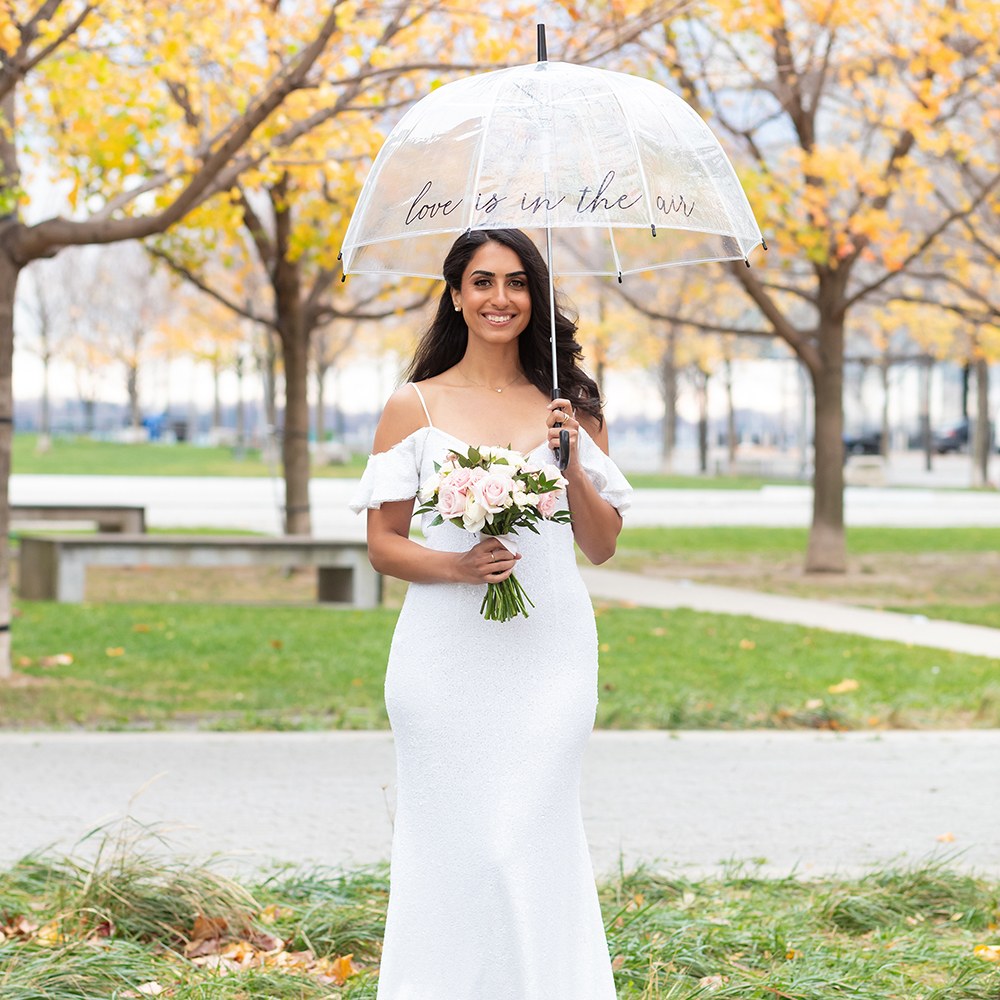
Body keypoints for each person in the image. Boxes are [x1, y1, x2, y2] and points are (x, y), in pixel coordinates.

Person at [350, 228, 632, 1000]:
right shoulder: (413, 406)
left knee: (524, 839)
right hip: (443, 659)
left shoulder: (573, 407)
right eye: (481, 282)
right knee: (458, 845)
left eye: (515, 282)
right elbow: (382, 543)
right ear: (455, 294)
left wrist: (571, 463)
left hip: (550, 653)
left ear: (534, 297)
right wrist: (458, 566)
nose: (499, 298)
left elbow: (602, 545)